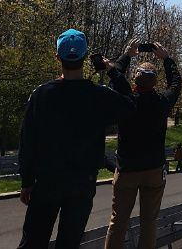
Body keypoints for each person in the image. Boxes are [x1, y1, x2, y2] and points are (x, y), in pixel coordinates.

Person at [18, 29, 135, 249]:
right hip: (82, 181)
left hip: (47, 180)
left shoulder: (42, 94)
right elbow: (130, 106)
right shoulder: (99, 95)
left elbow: (27, 142)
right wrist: (112, 70)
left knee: (33, 242)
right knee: (69, 243)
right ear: (85, 58)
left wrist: (27, 181)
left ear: (57, 57)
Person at [103, 39, 182, 249]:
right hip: (154, 170)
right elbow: (176, 83)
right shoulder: (163, 103)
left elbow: (116, 74)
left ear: (135, 81)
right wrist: (167, 59)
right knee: (149, 222)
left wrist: (127, 55)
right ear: (155, 82)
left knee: (118, 222)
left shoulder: (126, 99)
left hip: (127, 169)